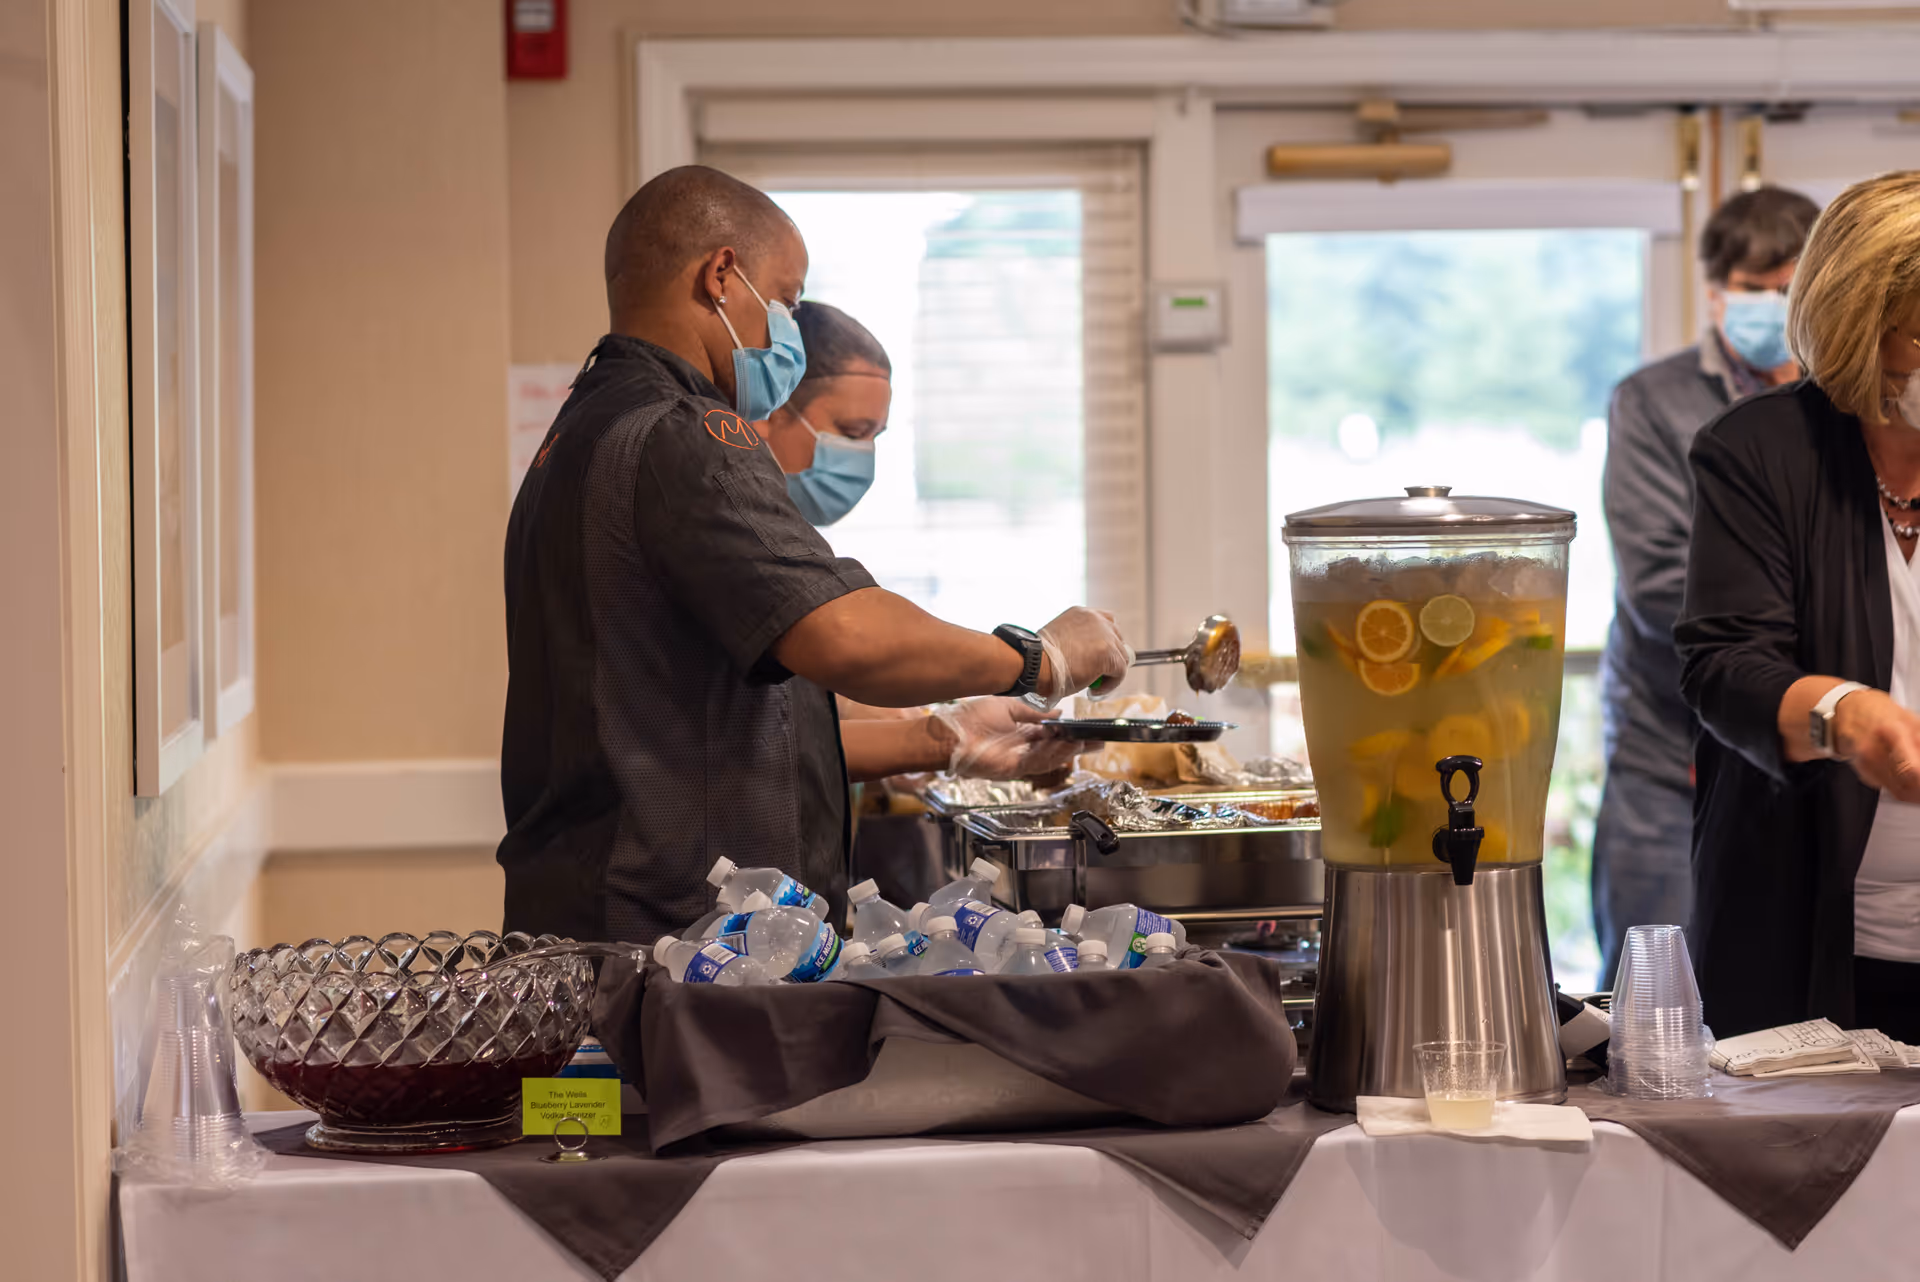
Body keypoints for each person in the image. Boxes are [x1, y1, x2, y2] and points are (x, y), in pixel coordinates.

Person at [497, 165, 1131, 944]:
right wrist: (1039, 658)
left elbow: (697, 699)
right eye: (787, 301)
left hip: (587, 922)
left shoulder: (580, 430)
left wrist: (948, 734)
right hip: (673, 942)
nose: (788, 331)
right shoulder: (685, 431)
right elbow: (842, 634)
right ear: (721, 275)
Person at [1678, 171, 1920, 1040]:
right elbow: (1725, 669)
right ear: (1859, 327)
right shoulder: (1760, 452)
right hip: (1804, 932)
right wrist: (1842, 714)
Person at [1592, 186, 1821, 985]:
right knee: (1654, 990)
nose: (1771, 306)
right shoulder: (1654, 403)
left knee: (1784, 995)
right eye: (1755, 288)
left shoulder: (1848, 405)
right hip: (1670, 753)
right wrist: (1819, 629)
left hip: (1807, 748)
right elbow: (1659, 584)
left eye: (1789, 287)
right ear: (1717, 290)